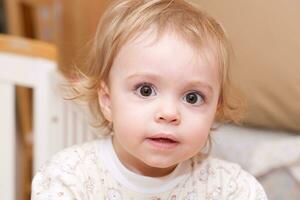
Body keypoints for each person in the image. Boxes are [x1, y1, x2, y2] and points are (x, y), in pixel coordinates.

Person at [31, 0, 268, 199]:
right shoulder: (70, 178)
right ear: (107, 101)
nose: (169, 112)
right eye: (145, 90)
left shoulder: (232, 189)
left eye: (192, 97)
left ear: (215, 110)